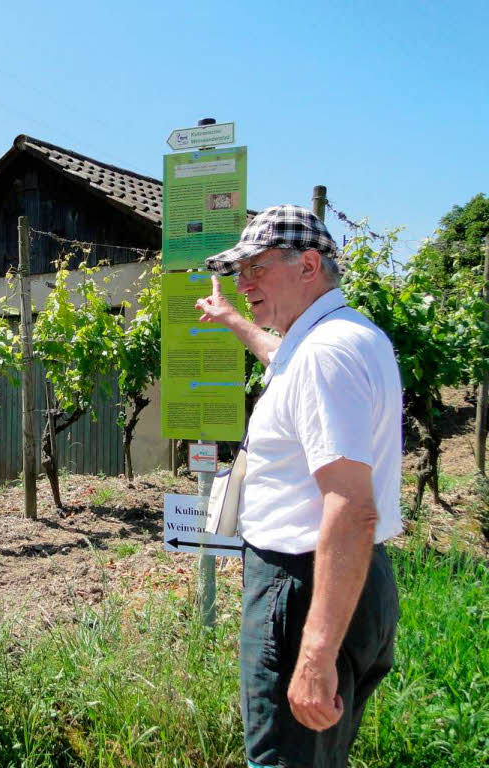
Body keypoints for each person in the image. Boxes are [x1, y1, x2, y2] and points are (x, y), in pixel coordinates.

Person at [196, 204, 402, 768]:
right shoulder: (346, 336)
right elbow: (280, 358)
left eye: (256, 268)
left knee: (285, 761)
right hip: (341, 579)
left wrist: (315, 654)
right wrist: (234, 321)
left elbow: (351, 505)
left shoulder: (324, 355)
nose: (243, 284)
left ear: (309, 265)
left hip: (305, 585)